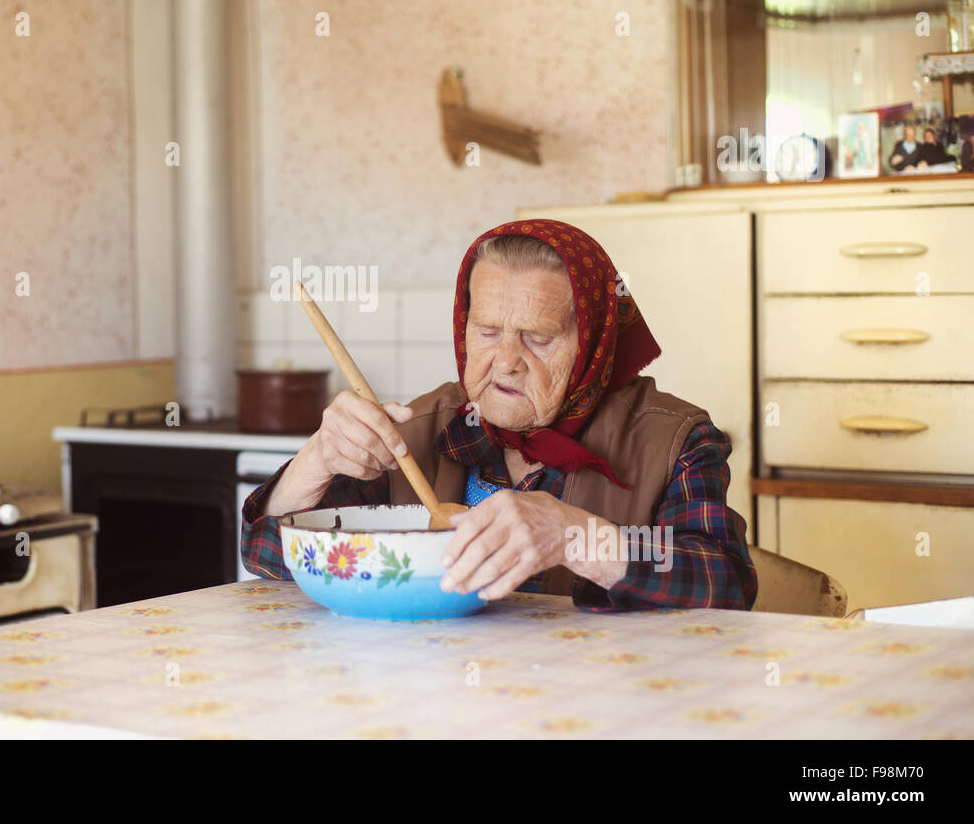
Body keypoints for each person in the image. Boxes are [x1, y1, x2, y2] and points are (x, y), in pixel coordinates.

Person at [240, 220, 757, 612]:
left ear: (595, 344)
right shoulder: (418, 430)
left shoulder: (675, 440)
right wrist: (316, 460)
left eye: (538, 337)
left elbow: (725, 583)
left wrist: (573, 536)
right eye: (487, 331)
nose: (505, 359)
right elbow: (266, 553)